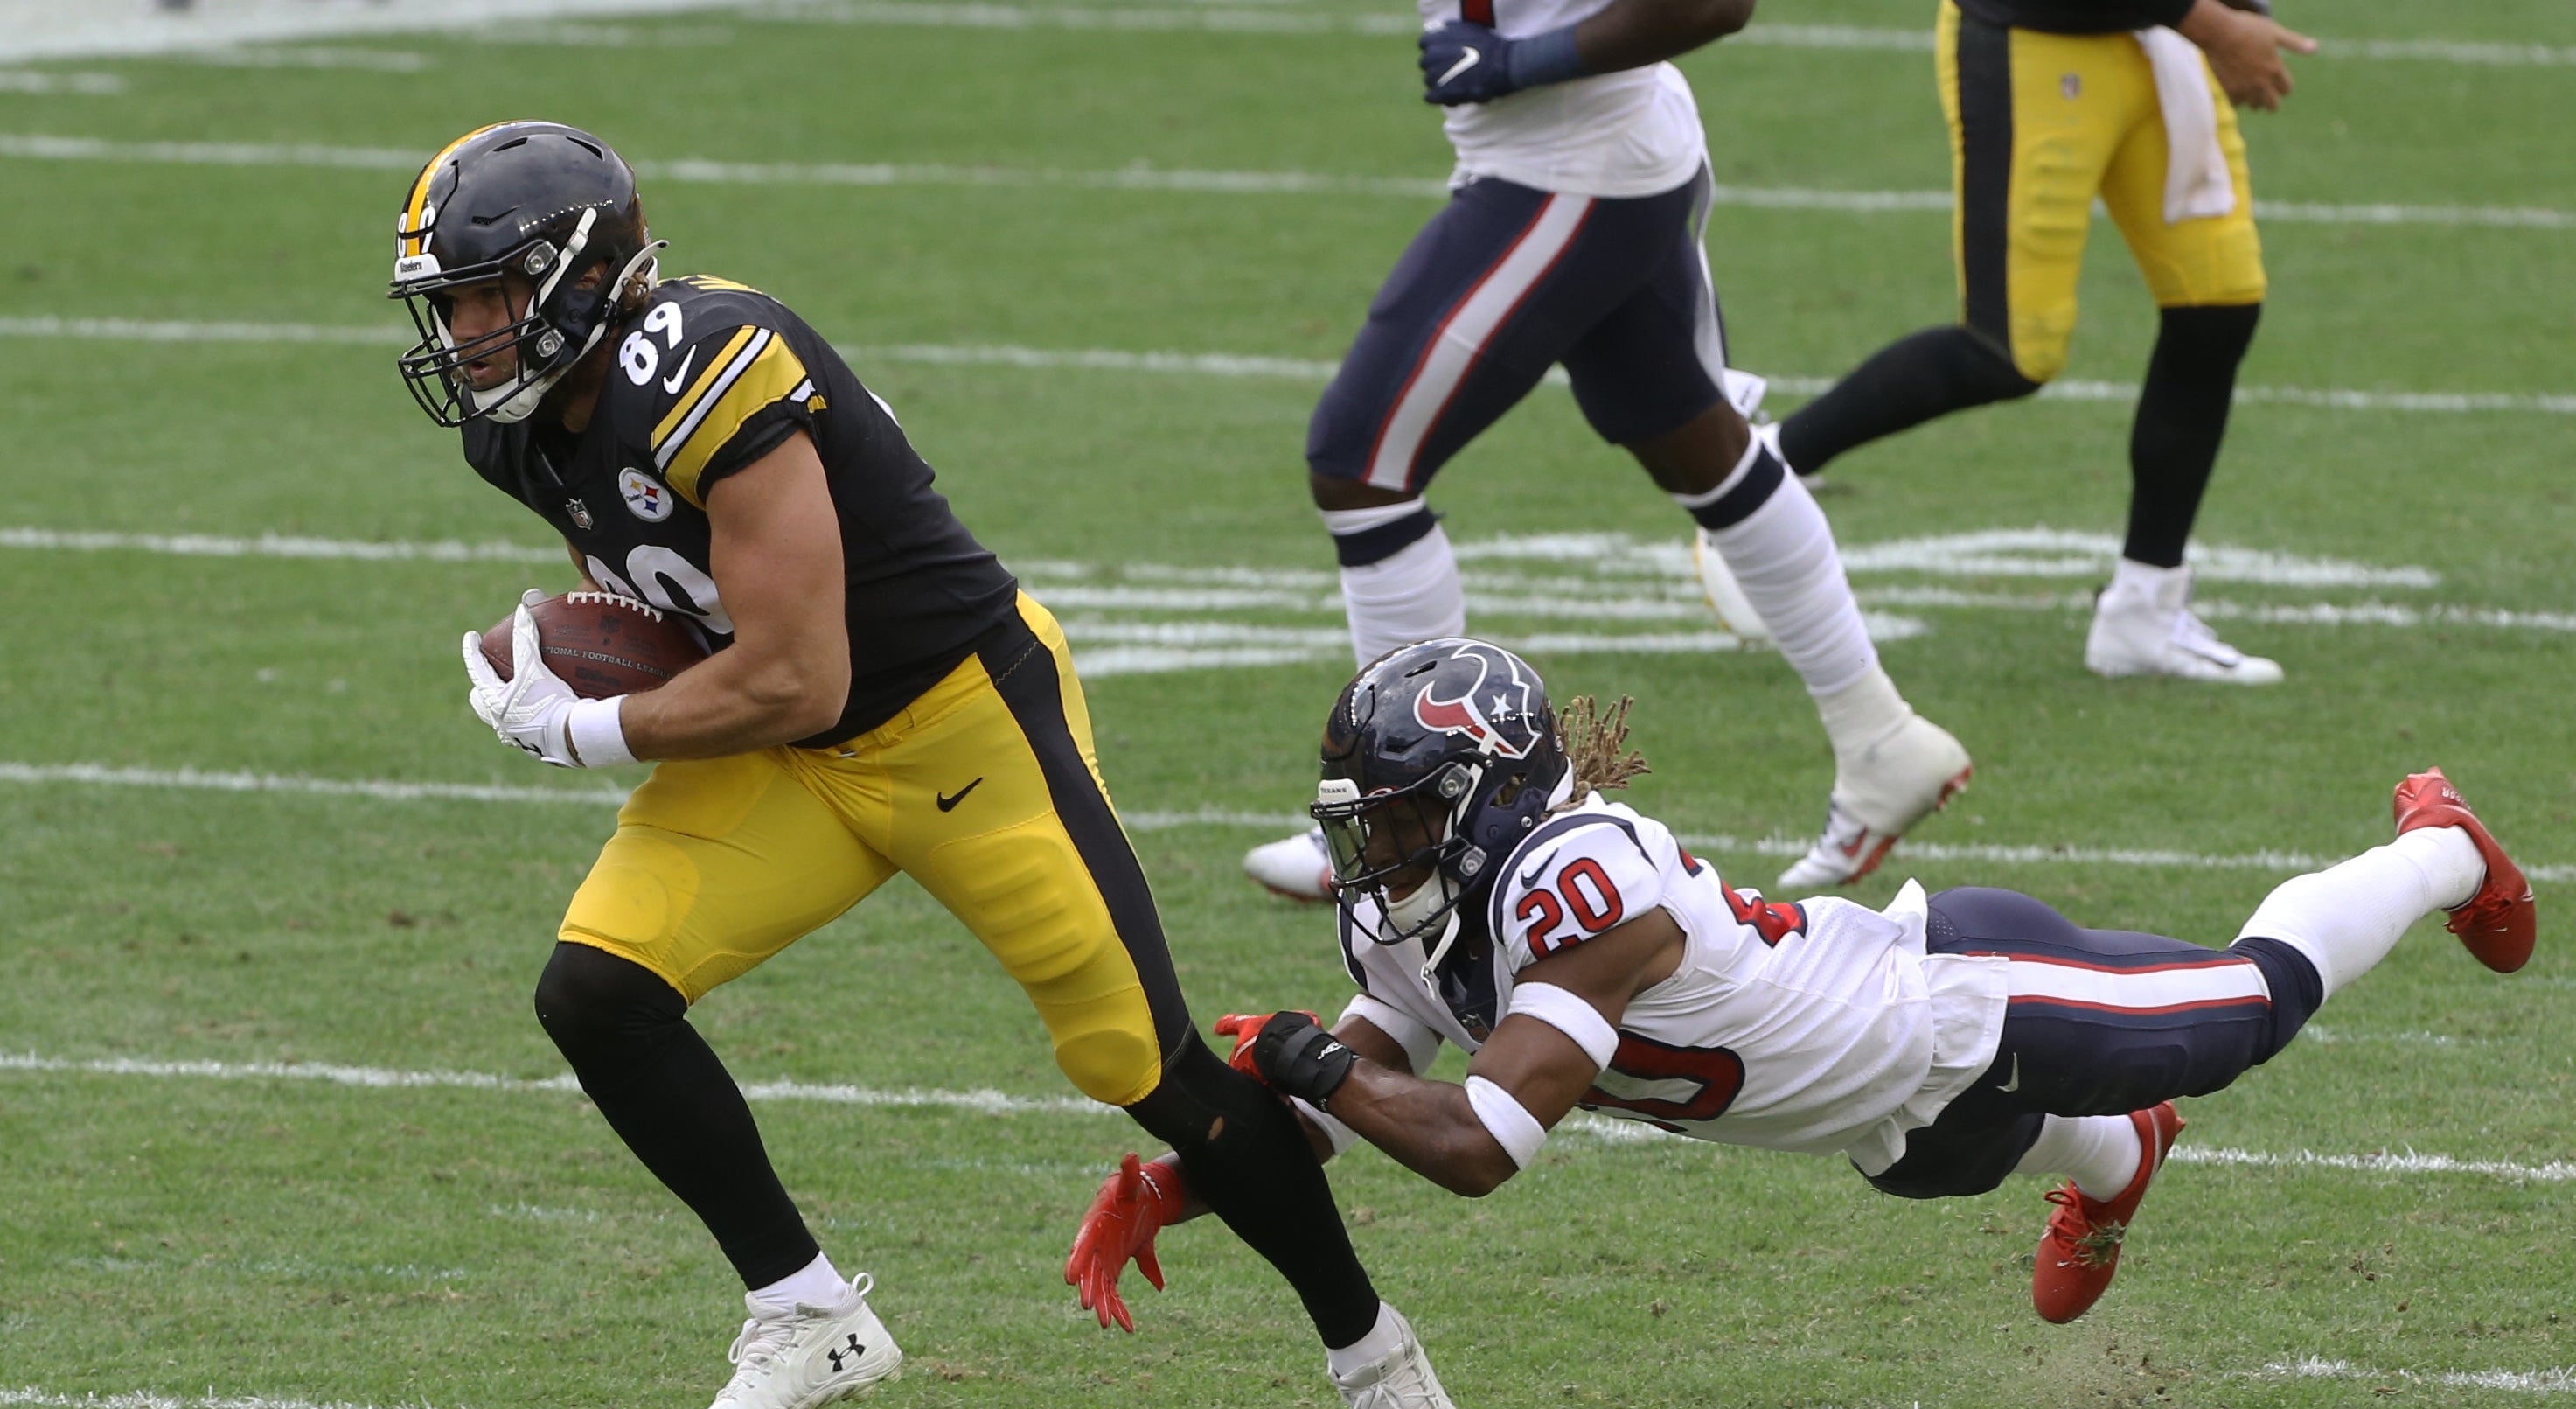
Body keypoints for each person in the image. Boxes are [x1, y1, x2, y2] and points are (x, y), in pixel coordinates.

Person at [389, 122, 1476, 1409]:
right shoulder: (516, 430)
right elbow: (681, 612)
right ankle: (807, 1312)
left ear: (585, 274)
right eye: (451, 303)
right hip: (794, 759)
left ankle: (1376, 1362)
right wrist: (573, 655)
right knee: (597, 992)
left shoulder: (711, 360)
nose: (467, 333)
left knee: (1147, 1067)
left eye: (490, 293)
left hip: (956, 723)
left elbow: (800, 669)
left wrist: (584, 725)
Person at [1071, 640, 2532, 1334]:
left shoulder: (1574, 883)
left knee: (2239, 1010)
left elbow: (1476, 1145)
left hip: (1953, 993)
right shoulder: (1417, 909)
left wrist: (1309, 1060)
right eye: (1366, 819)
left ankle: (2435, 851)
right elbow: (1354, 1109)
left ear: (1484, 799)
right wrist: (1190, 1173)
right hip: (1871, 1106)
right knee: (1935, 1161)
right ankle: (2118, 1153)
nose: (1374, 845)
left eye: (1398, 814)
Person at [1243, 0, 1974, 903]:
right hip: (1596, 153)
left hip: (1567, 168)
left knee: (1360, 468)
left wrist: (1521, 60)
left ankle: (1411, 820)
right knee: (1697, 445)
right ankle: (1882, 738)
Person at [1774, 0, 2318, 685]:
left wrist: (2230, 15)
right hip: (2036, 36)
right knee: (2010, 349)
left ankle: (2144, 610)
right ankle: (1763, 471)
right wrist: (2217, 26)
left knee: (2217, 306)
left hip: (2161, 38)